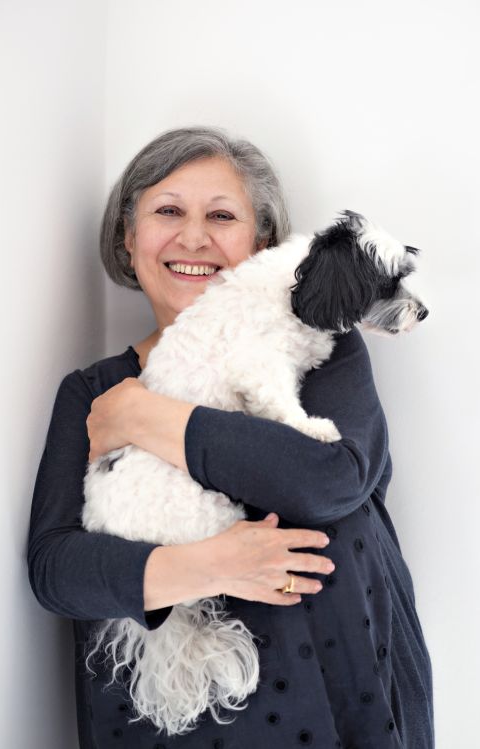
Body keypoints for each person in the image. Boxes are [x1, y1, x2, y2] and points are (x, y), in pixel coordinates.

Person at [27, 126, 434, 748]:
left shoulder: (322, 343)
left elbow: (330, 479)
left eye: (221, 216)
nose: (194, 238)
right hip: (174, 725)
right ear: (128, 238)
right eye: (168, 211)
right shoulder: (95, 391)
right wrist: (210, 566)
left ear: (260, 241)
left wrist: (147, 419)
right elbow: (57, 571)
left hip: (349, 700)